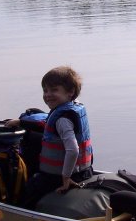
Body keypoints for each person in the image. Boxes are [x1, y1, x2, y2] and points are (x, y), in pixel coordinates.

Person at [7, 66, 94, 208]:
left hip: (58, 177)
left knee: (25, 192)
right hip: (84, 171)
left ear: (71, 92)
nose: (48, 94)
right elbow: (47, 125)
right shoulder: (71, 109)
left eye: (54, 90)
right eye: (45, 90)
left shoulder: (63, 119)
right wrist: (21, 122)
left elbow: (73, 150)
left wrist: (66, 178)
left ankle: (18, 215)